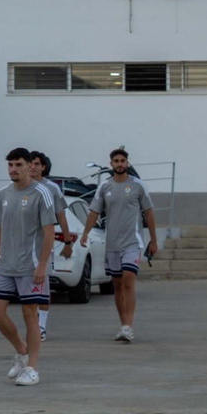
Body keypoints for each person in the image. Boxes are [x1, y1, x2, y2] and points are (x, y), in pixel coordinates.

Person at [0, 148, 56, 386]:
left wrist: (42, 265)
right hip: (6, 265)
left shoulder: (42, 194)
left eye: (18, 165)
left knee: (30, 315)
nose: (13, 169)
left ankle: (32, 368)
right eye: (10, 165)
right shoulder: (3, 194)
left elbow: (49, 232)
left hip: (31, 266)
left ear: (29, 166)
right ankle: (21, 351)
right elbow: (0, 230)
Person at [80, 147, 158, 343]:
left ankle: (129, 326)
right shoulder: (104, 187)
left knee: (128, 279)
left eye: (123, 160)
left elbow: (148, 212)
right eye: (116, 161)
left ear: (127, 163)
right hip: (112, 243)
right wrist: (85, 233)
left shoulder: (138, 185)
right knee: (117, 284)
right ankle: (122, 324)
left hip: (132, 242)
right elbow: (93, 212)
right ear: (111, 164)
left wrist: (153, 240)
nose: (120, 164)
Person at [28, 151, 74, 341]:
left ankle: (41, 325)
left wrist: (67, 241)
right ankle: (31, 325)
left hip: (42, 245)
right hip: (22, 247)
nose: (32, 167)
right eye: (30, 163)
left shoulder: (51, 189)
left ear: (43, 167)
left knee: (43, 285)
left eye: (36, 164)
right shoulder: (21, 187)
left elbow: (61, 215)